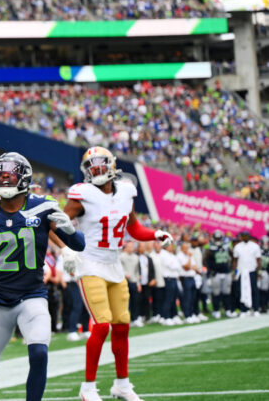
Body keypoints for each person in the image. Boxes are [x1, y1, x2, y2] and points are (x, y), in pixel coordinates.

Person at [0, 152, 86, 401]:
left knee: (39, 353)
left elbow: (79, 244)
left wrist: (69, 229)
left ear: (24, 177)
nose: (4, 178)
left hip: (32, 296)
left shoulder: (43, 206)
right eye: (1, 173)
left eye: (10, 174)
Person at [62, 146, 173, 401]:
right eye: (91, 165)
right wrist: (65, 249)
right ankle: (88, 388)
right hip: (90, 263)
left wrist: (156, 234)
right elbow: (58, 224)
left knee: (122, 324)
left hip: (114, 265)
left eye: (100, 163)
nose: (96, 168)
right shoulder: (81, 194)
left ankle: (122, 384)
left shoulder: (126, 191)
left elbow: (133, 228)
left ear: (112, 164)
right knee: (101, 325)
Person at [232, 231, 262, 315]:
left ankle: (255, 309)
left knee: (254, 290)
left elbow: (258, 260)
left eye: (247, 236)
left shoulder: (255, 246)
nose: (245, 237)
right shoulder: (238, 246)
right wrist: (234, 272)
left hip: (252, 270)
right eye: (244, 236)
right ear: (241, 237)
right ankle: (244, 310)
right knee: (241, 290)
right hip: (241, 271)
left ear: (249, 236)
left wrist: (259, 271)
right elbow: (235, 260)